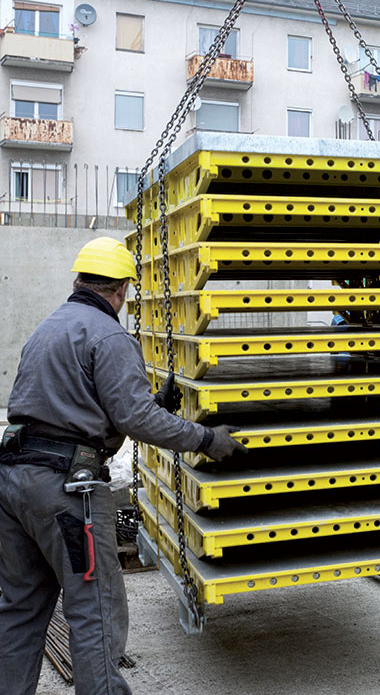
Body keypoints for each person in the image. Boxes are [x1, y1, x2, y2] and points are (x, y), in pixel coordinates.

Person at [0, 237, 244, 695]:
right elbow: (133, 420)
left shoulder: (47, 329)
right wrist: (207, 439)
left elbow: (70, 410)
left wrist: (150, 404)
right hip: (67, 495)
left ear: (80, 281)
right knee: (95, 611)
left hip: (14, 484)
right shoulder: (109, 335)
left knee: (20, 608)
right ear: (120, 291)